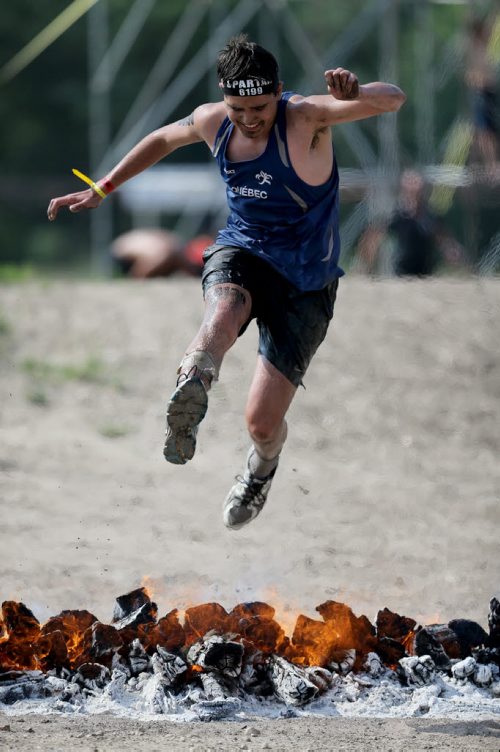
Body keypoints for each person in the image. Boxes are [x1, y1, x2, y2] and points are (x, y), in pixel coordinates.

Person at [47, 35, 406, 531]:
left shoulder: (306, 116)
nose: (249, 118)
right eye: (237, 108)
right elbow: (160, 140)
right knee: (222, 308)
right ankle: (193, 381)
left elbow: (394, 99)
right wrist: (101, 189)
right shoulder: (213, 120)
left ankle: (261, 468)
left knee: (260, 422)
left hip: (306, 281)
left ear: (278, 92)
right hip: (243, 250)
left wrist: (357, 91)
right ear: (224, 97)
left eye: (260, 107)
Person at [357, 170, 465, 277]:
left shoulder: (429, 216)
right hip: (402, 274)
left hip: (426, 274)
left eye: (416, 185)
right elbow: (374, 236)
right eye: (410, 185)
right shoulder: (397, 214)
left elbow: (444, 240)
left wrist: (455, 258)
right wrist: (365, 264)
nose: (413, 189)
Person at [111, 228, 214, 278]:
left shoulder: (174, 243)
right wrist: (137, 277)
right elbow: (140, 274)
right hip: (121, 253)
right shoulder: (170, 251)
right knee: (167, 259)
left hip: (126, 246)